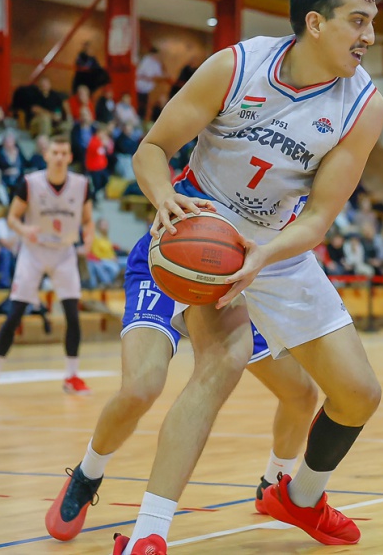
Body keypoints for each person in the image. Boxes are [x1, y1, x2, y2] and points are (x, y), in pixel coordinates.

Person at [112, 0, 383, 554]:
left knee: (360, 393)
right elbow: (153, 148)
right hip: (203, 232)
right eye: (357, 21)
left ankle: (300, 496)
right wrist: (165, 199)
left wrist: (265, 255)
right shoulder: (236, 67)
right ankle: (147, 534)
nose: (368, 35)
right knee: (222, 363)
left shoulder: (364, 105)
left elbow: (318, 218)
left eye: (372, 23)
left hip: (277, 246)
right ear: (315, 23)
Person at [44, 231, 319, 542]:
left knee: (302, 394)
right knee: (140, 389)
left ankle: (272, 484)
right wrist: (161, 202)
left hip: (235, 277)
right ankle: (88, 473)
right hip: (170, 258)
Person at [0, 137, 95, 396]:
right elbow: (12, 217)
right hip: (34, 252)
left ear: (70, 157)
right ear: (46, 155)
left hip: (64, 252)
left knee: (72, 314)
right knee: (15, 313)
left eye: (64, 153)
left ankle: (72, 376)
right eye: (55, 152)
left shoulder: (81, 185)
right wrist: (25, 230)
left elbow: (88, 221)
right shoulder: (30, 183)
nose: (59, 157)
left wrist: (88, 243)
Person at [135, 47, 165, 120]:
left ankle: (145, 119)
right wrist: (147, 78)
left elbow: (159, 75)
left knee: (146, 106)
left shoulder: (157, 63)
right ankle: (139, 118)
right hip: (140, 86)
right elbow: (139, 74)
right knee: (140, 104)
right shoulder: (145, 60)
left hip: (149, 88)